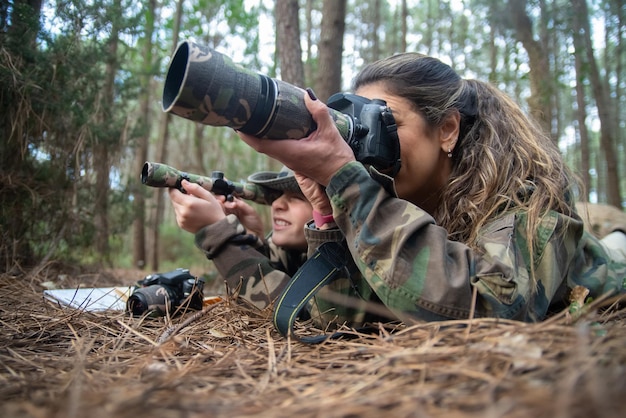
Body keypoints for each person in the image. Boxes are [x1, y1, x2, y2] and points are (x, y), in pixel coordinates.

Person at [237, 52, 626, 323]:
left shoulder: (523, 202)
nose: (372, 146)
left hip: (612, 269)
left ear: (447, 129)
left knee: (616, 238)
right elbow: (345, 315)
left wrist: (350, 185)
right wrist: (327, 212)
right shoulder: (395, 203)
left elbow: (493, 309)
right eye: (363, 129)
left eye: (387, 123)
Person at [168, 166, 315, 309]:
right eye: (278, 196)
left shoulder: (338, 257)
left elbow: (296, 310)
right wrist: (252, 241)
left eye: (297, 197)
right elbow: (276, 282)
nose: (276, 204)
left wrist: (217, 232)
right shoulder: (293, 251)